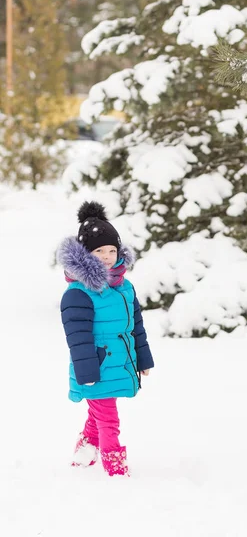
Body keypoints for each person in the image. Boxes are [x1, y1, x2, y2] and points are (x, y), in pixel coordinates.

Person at [57, 201, 154, 476]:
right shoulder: (78, 293)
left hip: (118, 363)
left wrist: (143, 359)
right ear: (86, 254)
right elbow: (78, 338)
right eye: (100, 251)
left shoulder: (124, 287)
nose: (108, 256)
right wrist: (87, 373)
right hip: (95, 368)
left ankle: (86, 447)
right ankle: (115, 469)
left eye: (112, 250)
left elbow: (136, 326)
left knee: (99, 411)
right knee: (109, 419)